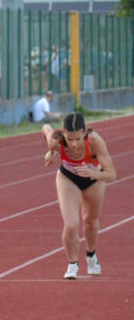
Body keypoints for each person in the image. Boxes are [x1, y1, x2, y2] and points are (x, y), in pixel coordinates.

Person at [41, 112, 116, 279]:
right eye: (69, 139)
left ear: (85, 133)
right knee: (71, 224)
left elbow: (112, 175)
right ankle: (72, 264)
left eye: (78, 139)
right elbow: (45, 128)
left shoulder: (95, 141)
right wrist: (50, 151)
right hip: (68, 178)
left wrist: (93, 173)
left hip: (94, 179)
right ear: (64, 134)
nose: (74, 144)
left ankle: (91, 256)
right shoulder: (57, 140)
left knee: (90, 221)